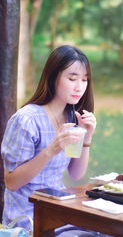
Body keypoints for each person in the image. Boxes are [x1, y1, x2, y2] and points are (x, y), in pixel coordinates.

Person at [1, 45, 97, 236]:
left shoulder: (71, 115)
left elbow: (76, 173)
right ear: (53, 77)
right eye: (72, 78)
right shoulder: (26, 120)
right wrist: (51, 149)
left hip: (58, 209)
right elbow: (11, 182)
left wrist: (87, 137)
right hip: (27, 217)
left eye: (84, 80)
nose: (80, 87)